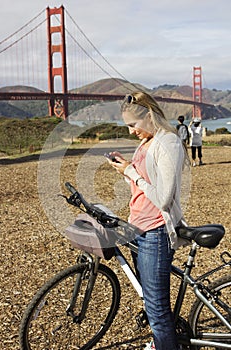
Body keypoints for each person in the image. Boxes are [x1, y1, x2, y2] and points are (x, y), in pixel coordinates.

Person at [106, 91, 189, 350]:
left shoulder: (168, 143)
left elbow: (163, 198)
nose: (131, 132)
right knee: (150, 300)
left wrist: (131, 171)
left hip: (155, 232)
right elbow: (143, 184)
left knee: (157, 309)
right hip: (137, 228)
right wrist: (126, 168)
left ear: (150, 116)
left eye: (134, 125)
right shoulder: (147, 142)